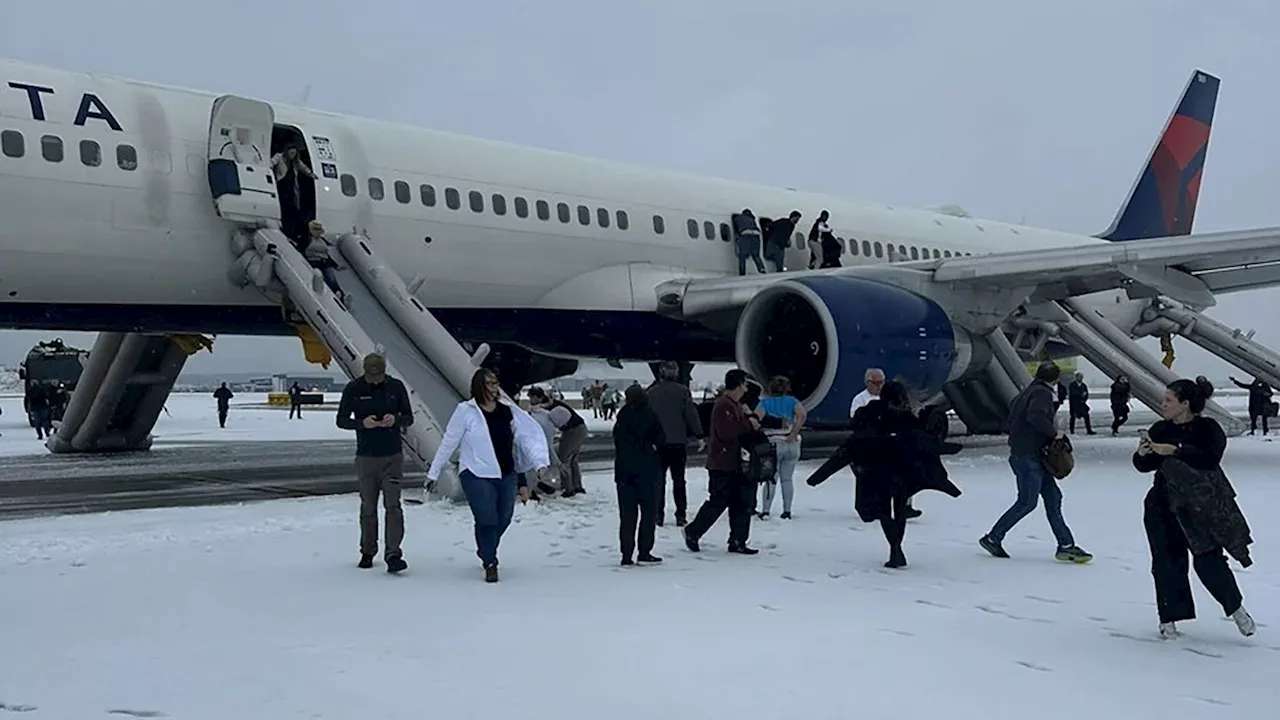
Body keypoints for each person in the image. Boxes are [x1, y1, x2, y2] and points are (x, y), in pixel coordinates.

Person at [1134, 378, 1256, 638]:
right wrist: (1143, 454)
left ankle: (1236, 609)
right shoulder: (1160, 428)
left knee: (1209, 560)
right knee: (1166, 562)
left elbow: (1210, 458)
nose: (1163, 404)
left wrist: (1177, 450)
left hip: (1199, 507)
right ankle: (1168, 621)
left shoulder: (1208, 428)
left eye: (1169, 400)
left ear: (1185, 404)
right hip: (1162, 505)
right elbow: (1144, 465)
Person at [808, 381, 962, 568]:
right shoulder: (907, 419)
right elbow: (923, 442)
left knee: (882, 511)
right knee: (899, 509)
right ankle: (896, 548)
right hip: (901, 471)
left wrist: (819, 476)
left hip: (877, 471)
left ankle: (895, 548)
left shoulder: (870, 414)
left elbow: (852, 444)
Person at [426, 369, 549, 583]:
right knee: (487, 518)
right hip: (476, 473)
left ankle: (486, 547)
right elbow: (449, 442)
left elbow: (524, 441)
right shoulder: (465, 411)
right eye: (489, 384)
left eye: (495, 383)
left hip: (506, 473)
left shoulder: (506, 410)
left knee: (504, 518)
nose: (494, 388)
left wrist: (539, 464)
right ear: (479, 386)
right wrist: (433, 472)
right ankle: (490, 562)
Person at [980, 361, 1093, 563]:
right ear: (1055, 379)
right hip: (1028, 457)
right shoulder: (1041, 394)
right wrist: (1054, 434)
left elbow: (1012, 421)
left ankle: (1066, 545)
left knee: (1053, 498)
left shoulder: (1025, 393)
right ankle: (993, 538)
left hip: (1030, 455)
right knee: (1027, 502)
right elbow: (1036, 416)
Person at [335, 353, 413, 573]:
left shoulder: (396, 387)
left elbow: (409, 417)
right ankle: (368, 550)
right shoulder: (354, 388)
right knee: (368, 506)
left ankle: (393, 554)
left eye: (378, 376)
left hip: (392, 455)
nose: (375, 380)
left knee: (393, 506)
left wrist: (395, 419)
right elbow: (341, 420)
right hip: (366, 456)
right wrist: (362, 423)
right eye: (371, 376)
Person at [683, 369, 764, 555]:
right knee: (719, 500)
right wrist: (749, 423)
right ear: (737, 384)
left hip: (737, 462)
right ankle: (693, 531)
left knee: (741, 503)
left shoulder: (735, 405)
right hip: (723, 462)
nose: (745, 388)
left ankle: (738, 540)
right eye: (744, 384)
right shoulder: (724, 406)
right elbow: (729, 432)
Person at [850, 368, 921, 519]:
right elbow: (858, 422)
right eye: (874, 383)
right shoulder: (860, 399)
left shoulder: (892, 397)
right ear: (867, 383)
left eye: (881, 382)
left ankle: (905, 505)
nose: (878, 386)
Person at [612, 384, 666, 566]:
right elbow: (661, 439)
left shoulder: (622, 416)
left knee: (627, 515)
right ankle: (645, 551)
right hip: (647, 470)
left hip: (624, 470)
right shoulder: (650, 415)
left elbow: (618, 440)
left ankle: (626, 554)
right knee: (648, 513)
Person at [647, 361, 703, 527]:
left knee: (659, 481)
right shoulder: (683, 392)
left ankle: (658, 515)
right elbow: (691, 414)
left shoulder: (651, 393)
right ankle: (681, 515)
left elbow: (647, 418)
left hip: (658, 444)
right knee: (679, 481)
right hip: (678, 442)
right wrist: (699, 434)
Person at [757, 375, 805, 520]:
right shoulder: (793, 401)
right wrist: (794, 432)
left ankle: (766, 510)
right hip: (791, 442)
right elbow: (802, 415)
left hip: (773, 442)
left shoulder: (765, 403)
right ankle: (787, 510)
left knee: (771, 478)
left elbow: (757, 419)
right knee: (787, 479)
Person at [732, 209, 766, 276]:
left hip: (745, 235)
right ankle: (762, 269)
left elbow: (736, 228)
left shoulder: (738, 218)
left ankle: (742, 272)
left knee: (742, 255)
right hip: (756, 235)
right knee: (756, 255)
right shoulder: (752, 219)